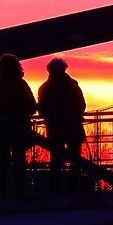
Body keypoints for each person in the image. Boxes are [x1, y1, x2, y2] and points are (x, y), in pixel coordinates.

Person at [0, 55, 38, 196]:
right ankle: (20, 191)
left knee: (1, 162)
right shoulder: (21, 84)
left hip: (0, 129)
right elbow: (32, 107)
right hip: (19, 128)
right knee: (19, 161)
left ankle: (0, 192)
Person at [37, 57, 87, 188]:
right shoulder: (72, 84)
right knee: (75, 159)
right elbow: (81, 104)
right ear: (64, 69)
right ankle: (72, 186)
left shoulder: (45, 88)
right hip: (73, 126)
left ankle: (54, 186)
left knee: (56, 158)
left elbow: (41, 110)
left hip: (55, 128)